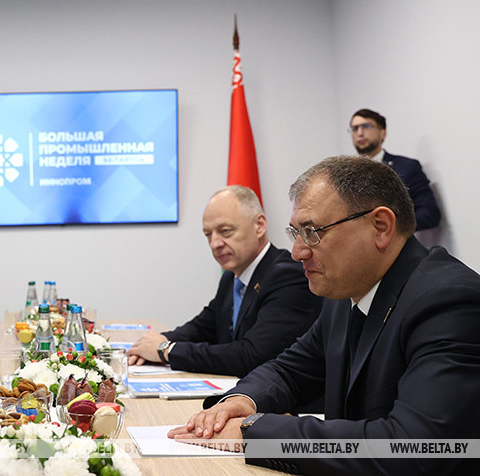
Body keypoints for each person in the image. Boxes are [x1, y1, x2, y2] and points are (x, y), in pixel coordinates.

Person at [170, 156, 480, 475]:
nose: (297, 252)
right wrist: (244, 400)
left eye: (312, 232)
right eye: (296, 233)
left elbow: (415, 448)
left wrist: (255, 432)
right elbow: (290, 371)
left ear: (381, 227)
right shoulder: (344, 295)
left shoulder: (449, 301)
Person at [127, 185, 322, 377]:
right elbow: (203, 327)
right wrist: (152, 344)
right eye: (208, 234)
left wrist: (166, 350)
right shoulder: (231, 277)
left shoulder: (288, 275)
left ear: (259, 225)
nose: (215, 243)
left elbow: (251, 356)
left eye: (225, 231)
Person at [350, 108, 441, 230]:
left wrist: (392, 227)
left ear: (383, 133)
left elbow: (429, 213)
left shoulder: (407, 168)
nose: (360, 133)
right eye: (355, 128)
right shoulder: (346, 175)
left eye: (366, 126)